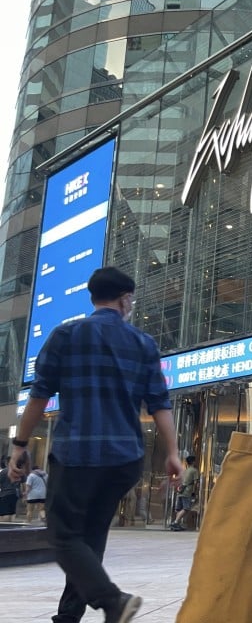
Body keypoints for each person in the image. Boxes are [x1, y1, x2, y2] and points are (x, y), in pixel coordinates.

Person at [7, 266, 184, 623]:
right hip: (124, 458)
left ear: (94, 297)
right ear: (124, 299)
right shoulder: (143, 343)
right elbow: (160, 403)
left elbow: (39, 398)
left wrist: (20, 444)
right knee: (89, 538)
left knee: (62, 535)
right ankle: (68, 616)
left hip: (78, 454)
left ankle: (112, 600)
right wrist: (173, 453)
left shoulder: (65, 335)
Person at [170, 455, 199, 531]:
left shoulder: (185, 470)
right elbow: (195, 482)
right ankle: (175, 522)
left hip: (181, 491)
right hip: (187, 491)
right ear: (193, 462)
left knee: (179, 509)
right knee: (186, 508)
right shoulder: (194, 470)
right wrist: (194, 492)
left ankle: (177, 524)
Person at [0, 456, 20, 521]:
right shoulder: (18, 471)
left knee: (4, 513)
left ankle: (4, 528)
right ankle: (11, 528)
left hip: (5, 494)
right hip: (15, 494)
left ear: (7, 463)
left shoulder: (3, 472)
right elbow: (23, 483)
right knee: (12, 512)